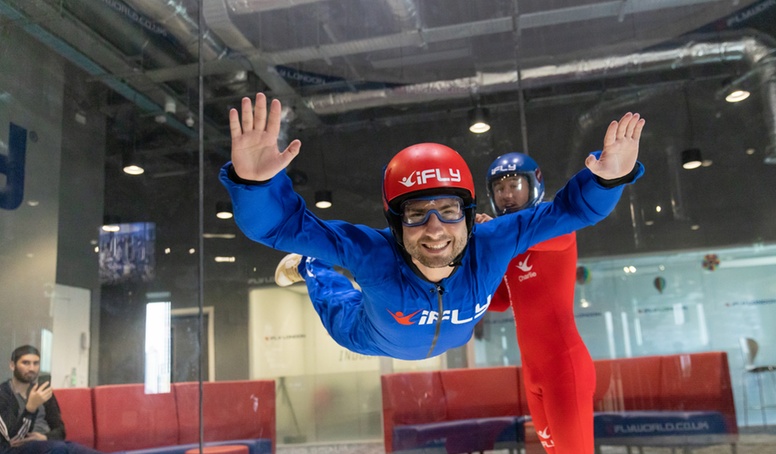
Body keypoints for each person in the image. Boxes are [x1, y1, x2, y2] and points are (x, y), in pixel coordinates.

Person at [222, 92, 644, 359]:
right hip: (367, 336)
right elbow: (279, 227)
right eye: (416, 213)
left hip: (451, 338)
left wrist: (607, 180)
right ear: (394, 222)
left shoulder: (493, 242)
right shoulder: (372, 254)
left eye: (449, 210)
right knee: (332, 290)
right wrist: (256, 186)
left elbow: (572, 211)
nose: (436, 229)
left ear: (470, 213)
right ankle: (312, 267)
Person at [476, 153, 642, 454]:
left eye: (513, 185)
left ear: (534, 185)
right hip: (535, 375)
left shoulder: (556, 224)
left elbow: (520, 237)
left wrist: (486, 235)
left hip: (563, 368)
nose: (506, 195)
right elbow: (500, 301)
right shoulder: (508, 240)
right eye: (499, 188)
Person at [0, 345, 142, 454]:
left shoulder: (44, 392)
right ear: (12, 365)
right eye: (25, 363)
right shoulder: (3, 395)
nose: (31, 368)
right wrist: (30, 408)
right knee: (55, 450)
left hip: (48, 446)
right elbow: (12, 439)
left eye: (36, 363)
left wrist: (45, 437)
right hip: (9, 452)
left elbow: (60, 430)